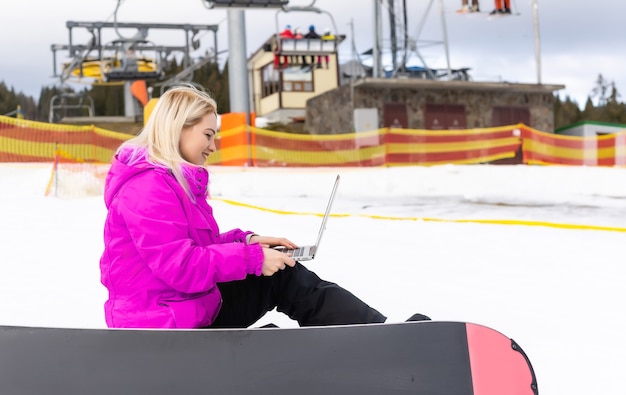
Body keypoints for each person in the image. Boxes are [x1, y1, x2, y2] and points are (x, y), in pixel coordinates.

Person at [99, 85, 388, 329]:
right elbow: (181, 265)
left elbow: (197, 245)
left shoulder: (169, 181)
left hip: (182, 304)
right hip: (163, 321)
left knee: (279, 275)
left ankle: (369, 334)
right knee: (278, 279)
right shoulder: (148, 188)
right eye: (208, 135)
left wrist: (248, 242)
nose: (213, 146)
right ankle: (373, 336)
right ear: (179, 129)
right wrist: (251, 259)